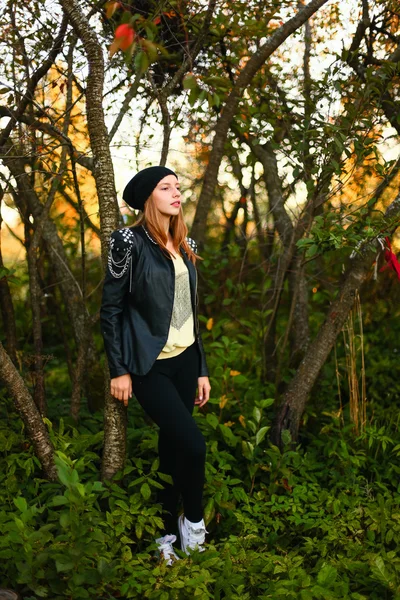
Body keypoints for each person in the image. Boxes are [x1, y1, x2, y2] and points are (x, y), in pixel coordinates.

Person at [100, 166, 211, 565]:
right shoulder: (127, 243)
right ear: (149, 198)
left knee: (172, 450)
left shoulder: (184, 241)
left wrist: (201, 368)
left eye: (177, 187)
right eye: (166, 188)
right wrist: (119, 369)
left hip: (184, 363)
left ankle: (166, 534)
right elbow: (111, 310)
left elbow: (191, 312)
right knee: (194, 446)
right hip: (148, 366)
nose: (176, 193)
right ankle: (193, 524)